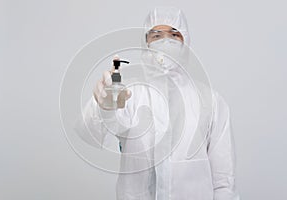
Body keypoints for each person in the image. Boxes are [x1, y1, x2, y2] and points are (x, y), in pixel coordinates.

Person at [75, 7, 240, 200]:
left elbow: (224, 181)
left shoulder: (210, 102)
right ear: (145, 43)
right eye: (156, 35)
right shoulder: (130, 93)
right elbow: (89, 133)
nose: (165, 41)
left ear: (186, 41)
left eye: (174, 34)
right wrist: (102, 107)